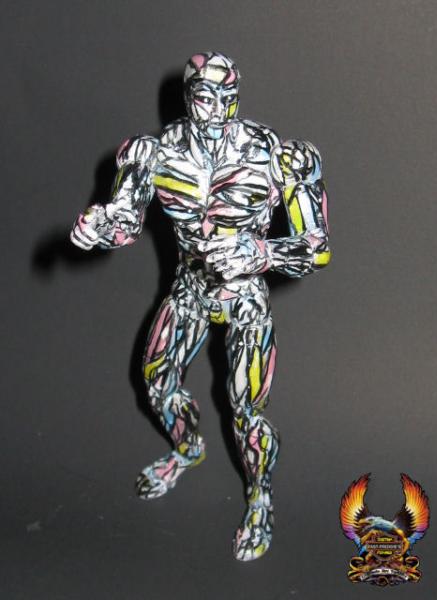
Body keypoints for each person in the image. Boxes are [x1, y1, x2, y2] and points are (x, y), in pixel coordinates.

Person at [71, 51, 331, 561]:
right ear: (188, 97)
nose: (216, 110)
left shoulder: (278, 157)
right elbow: (125, 222)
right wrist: (97, 227)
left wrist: (261, 252)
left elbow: (317, 248)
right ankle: (188, 449)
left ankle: (260, 497)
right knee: (157, 381)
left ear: (239, 97)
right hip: (190, 289)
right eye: (204, 97)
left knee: (247, 412)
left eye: (227, 98)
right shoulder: (153, 153)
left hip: (246, 298)